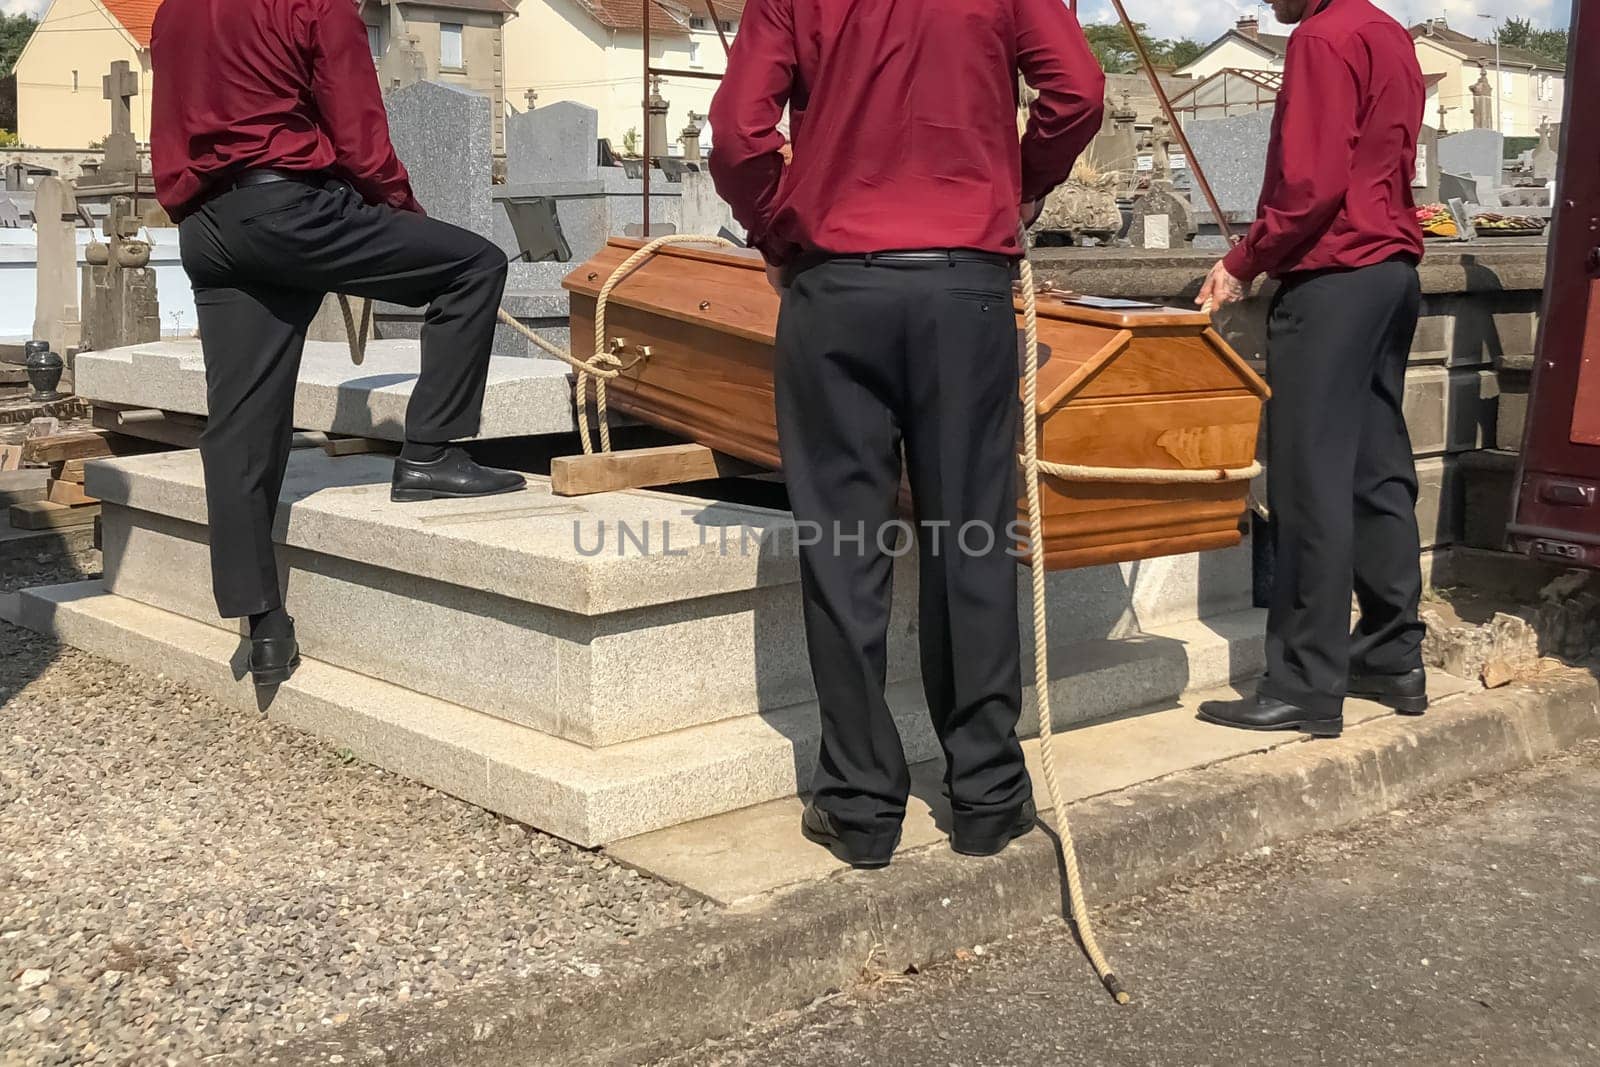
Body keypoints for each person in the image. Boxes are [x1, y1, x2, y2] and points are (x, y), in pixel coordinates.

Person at [709, 0, 1104, 868]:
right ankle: (988, 794)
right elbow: (1076, 92)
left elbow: (739, 135)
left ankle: (859, 804)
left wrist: (776, 226)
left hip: (836, 284)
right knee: (972, 537)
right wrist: (1016, 181)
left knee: (844, 548)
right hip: (964, 283)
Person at [150, 0, 525, 687]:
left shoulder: (174, 9)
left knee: (240, 422)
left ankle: (262, 625)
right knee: (475, 265)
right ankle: (431, 453)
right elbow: (357, 126)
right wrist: (399, 210)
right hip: (291, 208)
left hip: (209, 226)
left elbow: (171, 120)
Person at [1196, 0, 1429, 737]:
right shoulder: (1386, 31)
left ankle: (1304, 681)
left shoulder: (1321, 38)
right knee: (1375, 470)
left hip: (1332, 279)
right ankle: (1393, 654)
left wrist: (1242, 261)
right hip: (1390, 271)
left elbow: (1311, 184)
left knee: (1308, 483)